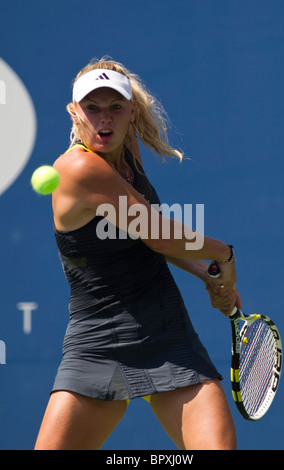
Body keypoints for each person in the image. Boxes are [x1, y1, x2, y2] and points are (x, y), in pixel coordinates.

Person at [34, 57, 241, 450]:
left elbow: (145, 238)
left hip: (167, 332)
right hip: (98, 342)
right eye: (92, 108)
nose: (104, 119)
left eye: (115, 107)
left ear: (131, 111)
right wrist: (225, 257)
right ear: (74, 113)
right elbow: (160, 236)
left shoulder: (126, 153)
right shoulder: (79, 169)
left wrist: (205, 272)